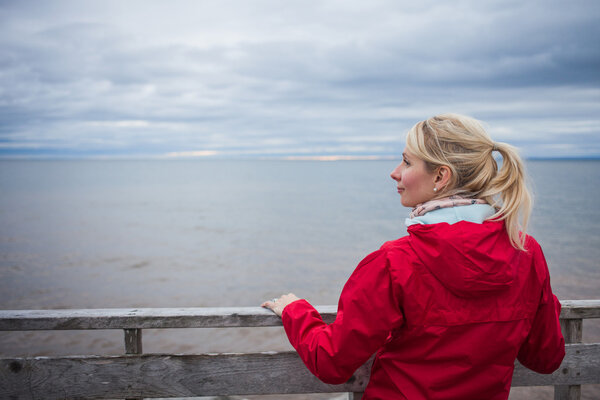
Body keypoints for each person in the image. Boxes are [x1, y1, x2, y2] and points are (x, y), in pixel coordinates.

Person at [262, 114, 565, 399]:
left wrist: (295, 311)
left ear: (441, 176)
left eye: (406, 162)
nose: (394, 172)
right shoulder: (526, 252)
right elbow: (545, 358)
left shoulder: (393, 262)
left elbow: (331, 362)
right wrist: (538, 298)